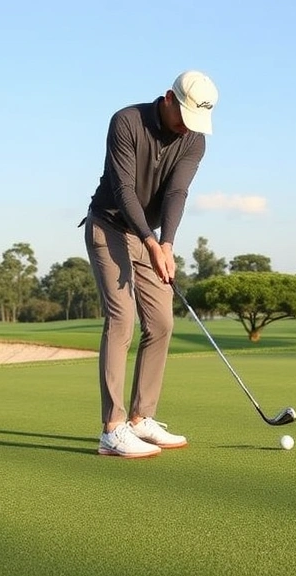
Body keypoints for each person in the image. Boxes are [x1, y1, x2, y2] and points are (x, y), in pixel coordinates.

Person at [81, 70, 218, 458]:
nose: (185, 128)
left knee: (161, 322)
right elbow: (123, 188)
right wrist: (150, 241)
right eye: (183, 117)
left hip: (149, 238)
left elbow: (177, 191)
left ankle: (141, 419)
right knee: (122, 318)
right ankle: (112, 429)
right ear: (168, 99)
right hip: (108, 226)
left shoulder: (194, 141)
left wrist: (167, 244)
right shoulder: (126, 121)